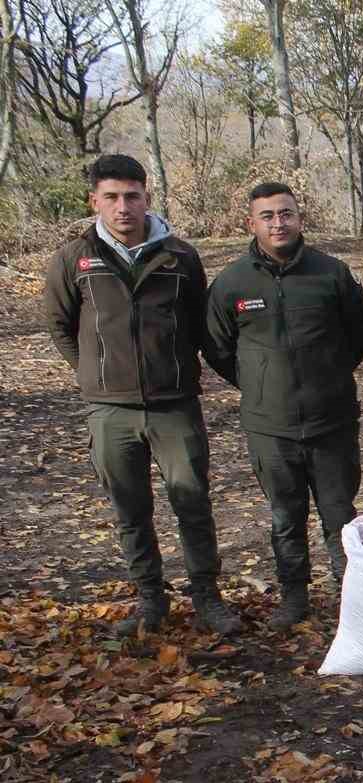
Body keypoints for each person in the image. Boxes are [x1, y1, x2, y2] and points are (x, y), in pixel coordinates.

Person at [41, 154, 242, 638]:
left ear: (146, 198)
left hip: (174, 404)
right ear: (95, 201)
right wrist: (95, 374)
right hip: (110, 410)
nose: (122, 207)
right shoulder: (74, 258)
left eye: (132, 196)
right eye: (111, 197)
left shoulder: (180, 256)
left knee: (192, 502)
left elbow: (198, 324)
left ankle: (207, 600)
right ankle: (151, 600)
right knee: (130, 509)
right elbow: (60, 326)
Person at [207, 182, 363, 629]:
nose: (278, 223)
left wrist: (332, 373)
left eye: (286, 213)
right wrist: (259, 385)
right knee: (286, 516)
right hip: (270, 426)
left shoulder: (331, 274)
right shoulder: (232, 283)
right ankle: (294, 598)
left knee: (340, 514)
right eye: (268, 216)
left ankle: (353, 595)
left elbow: (360, 331)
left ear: (299, 218)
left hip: (332, 420)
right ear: (252, 223)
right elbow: (218, 347)